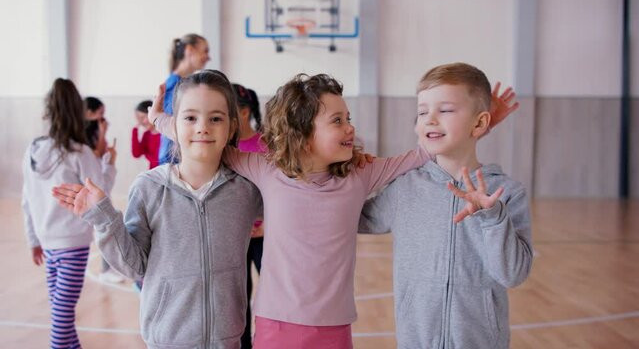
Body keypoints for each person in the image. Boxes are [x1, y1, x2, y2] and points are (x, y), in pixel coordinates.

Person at [151, 73, 517, 348]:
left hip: (336, 326)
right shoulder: (267, 169)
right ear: (302, 131)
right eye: (337, 121)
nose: (350, 128)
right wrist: (161, 121)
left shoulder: (361, 175)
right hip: (276, 323)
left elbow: (423, 153)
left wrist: (474, 127)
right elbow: (207, 141)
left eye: (348, 118)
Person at [53, 70, 262, 348]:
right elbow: (134, 265)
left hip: (228, 340)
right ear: (173, 125)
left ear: (232, 126)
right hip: (167, 340)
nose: (203, 127)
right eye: (190, 117)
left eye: (215, 118)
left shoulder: (246, 190)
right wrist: (104, 219)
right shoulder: (148, 188)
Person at [358, 62, 533, 349]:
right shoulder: (405, 188)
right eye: (423, 111)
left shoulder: (506, 192)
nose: (430, 119)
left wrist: (492, 218)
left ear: (479, 123)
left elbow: (512, 274)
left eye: (446, 110)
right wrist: (349, 176)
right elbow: (351, 217)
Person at [22, 78, 116, 349]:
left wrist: (33, 240)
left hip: (48, 243)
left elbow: (26, 201)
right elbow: (100, 195)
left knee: (60, 316)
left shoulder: (33, 151)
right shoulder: (80, 152)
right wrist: (108, 163)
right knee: (61, 321)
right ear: (78, 111)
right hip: (72, 245)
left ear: (48, 111)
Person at [232, 83, 266, 349]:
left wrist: (269, 224)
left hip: (266, 237)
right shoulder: (223, 148)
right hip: (234, 239)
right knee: (238, 301)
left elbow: (280, 192)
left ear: (244, 112)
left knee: (270, 297)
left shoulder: (266, 146)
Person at [84, 96, 122, 284]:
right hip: (95, 183)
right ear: (88, 113)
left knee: (106, 225)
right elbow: (96, 153)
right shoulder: (86, 132)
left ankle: (107, 268)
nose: (102, 117)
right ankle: (106, 270)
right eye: (99, 113)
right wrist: (102, 131)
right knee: (105, 225)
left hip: (100, 179)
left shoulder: (94, 129)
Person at [158, 33, 210, 165]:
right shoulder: (176, 85)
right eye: (205, 51)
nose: (208, 57)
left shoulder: (183, 84)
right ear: (189, 50)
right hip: (173, 159)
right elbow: (173, 122)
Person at [131, 100, 161, 169]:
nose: (140, 122)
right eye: (138, 119)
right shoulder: (146, 135)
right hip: (153, 174)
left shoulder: (164, 134)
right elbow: (136, 154)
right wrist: (134, 131)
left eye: (142, 117)